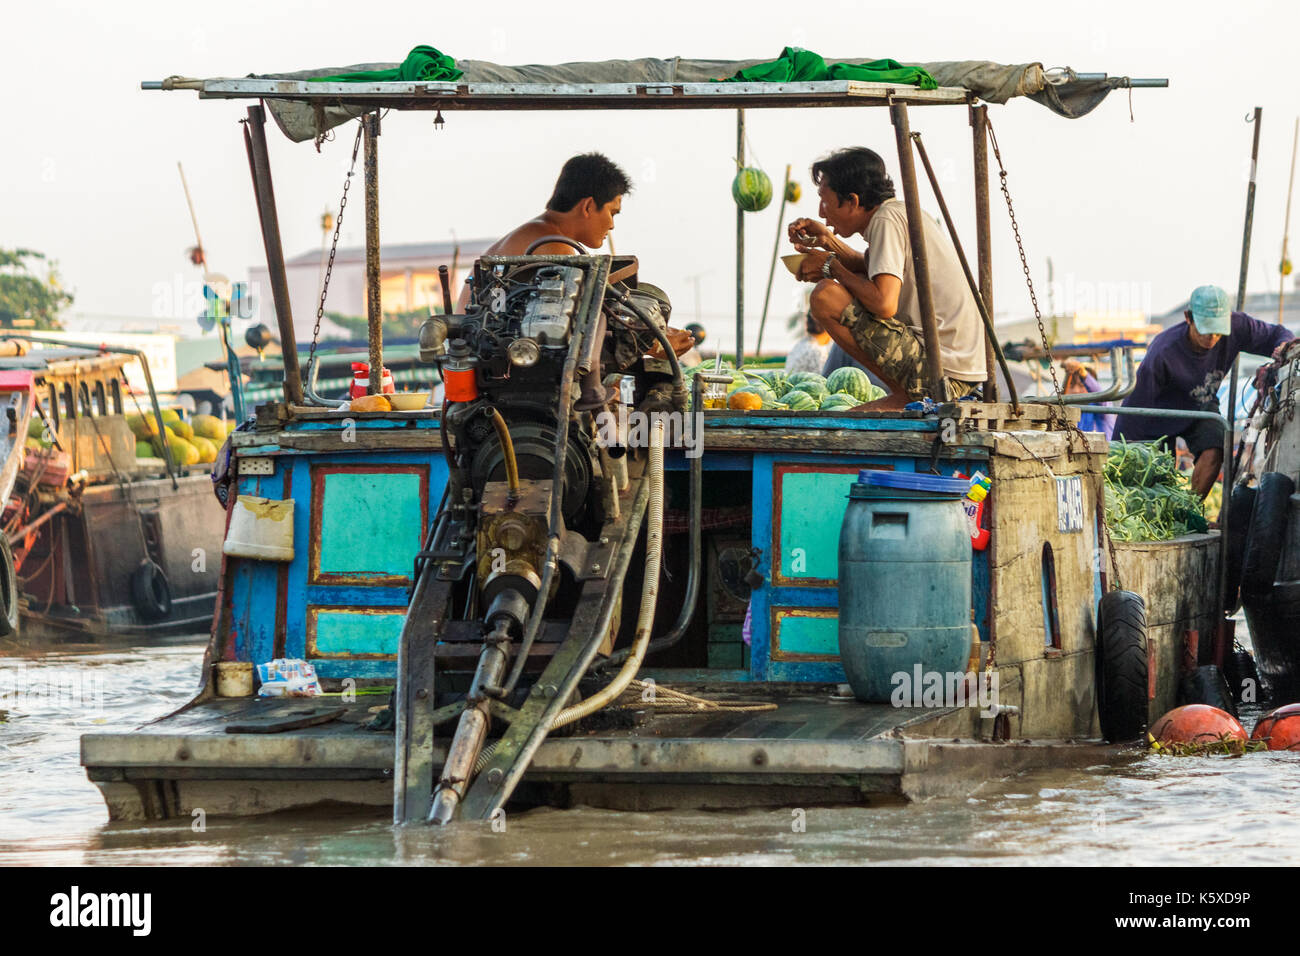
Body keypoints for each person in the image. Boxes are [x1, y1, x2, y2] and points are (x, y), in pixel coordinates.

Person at [788, 146, 986, 409]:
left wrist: (830, 268)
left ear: (853, 201)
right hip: (959, 371)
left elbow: (884, 303)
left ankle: (907, 394)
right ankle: (906, 394)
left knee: (826, 296)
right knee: (838, 285)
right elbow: (867, 267)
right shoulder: (897, 213)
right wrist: (827, 241)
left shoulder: (886, 220)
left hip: (943, 375)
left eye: (825, 200)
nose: (822, 212)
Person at [1117, 284, 1293, 498]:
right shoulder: (1163, 352)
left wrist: (1283, 347)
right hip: (1159, 412)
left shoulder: (1238, 326)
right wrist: (1122, 453)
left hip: (1201, 403)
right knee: (1158, 473)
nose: (1212, 339)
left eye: (1218, 332)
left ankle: (1191, 507)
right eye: (1206, 331)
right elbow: (1135, 410)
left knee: (1216, 445)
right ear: (1188, 318)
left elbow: (1277, 334)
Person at [458, 152, 632, 309]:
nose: (611, 225)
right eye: (612, 213)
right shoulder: (553, 244)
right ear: (588, 206)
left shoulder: (537, 231)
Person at [1063, 358, 1115, 439]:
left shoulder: (1101, 408)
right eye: (1072, 385)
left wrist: (1082, 371)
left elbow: (1099, 394)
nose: (1076, 390)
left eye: (1081, 385)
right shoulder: (1068, 412)